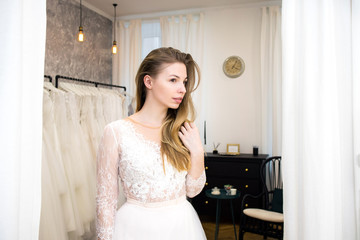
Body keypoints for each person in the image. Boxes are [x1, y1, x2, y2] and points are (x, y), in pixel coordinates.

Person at [96, 47, 207, 240]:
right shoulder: (116, 132)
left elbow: (193, 190)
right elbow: (106, 200)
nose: (182, 88)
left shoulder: (183, 130)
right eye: (173, 80)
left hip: (182, 227)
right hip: (135, 229)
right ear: (148, 81)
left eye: (184, 82)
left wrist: (197, 151)